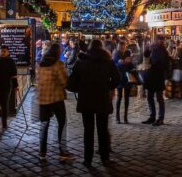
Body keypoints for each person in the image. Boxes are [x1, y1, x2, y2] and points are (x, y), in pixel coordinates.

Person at [67, 39, 121, 167]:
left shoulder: (81, 62)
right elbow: (117, 77)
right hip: (102, 98)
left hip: (86, 99)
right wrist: (109, 86)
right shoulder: (108, 61)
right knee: (102, 129)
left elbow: (71, 82)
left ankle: (88, 159)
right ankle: (105, 158)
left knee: (88, 130)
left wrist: (79, 89)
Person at [36, 40, 72, 162]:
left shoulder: (41, 64)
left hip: (43, 99)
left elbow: (38, 81)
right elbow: (64, 81)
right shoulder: (58, 64)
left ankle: (42, 152)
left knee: (44, 125)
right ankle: (63, 151)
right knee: (62, 123)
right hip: (56, 98)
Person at [143, 36, 170, 124]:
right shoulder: (153, 47)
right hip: (152, 76)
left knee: (159, 98)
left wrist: (152, 66)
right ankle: (152, 116)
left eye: (162, 40)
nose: (161, 41)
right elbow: (146, 55)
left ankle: (160, 118)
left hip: (158, 76)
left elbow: (163, 64)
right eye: (159, 40)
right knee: (150, 97)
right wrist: (146, 48)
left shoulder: (163, 50)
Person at [113, 41, 134, 123]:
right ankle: (117, 117)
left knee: (127, 98)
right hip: (120, 78)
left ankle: (125, 117)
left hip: (127, 77)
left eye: (123, 46)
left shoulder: (128, 52)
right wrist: (124, 62)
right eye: (121, 46)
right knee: (119, 97)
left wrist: (130, 61)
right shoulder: (116, 54)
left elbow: (131, 66)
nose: (122, 47)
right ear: (118, 46)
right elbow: (117, 64)